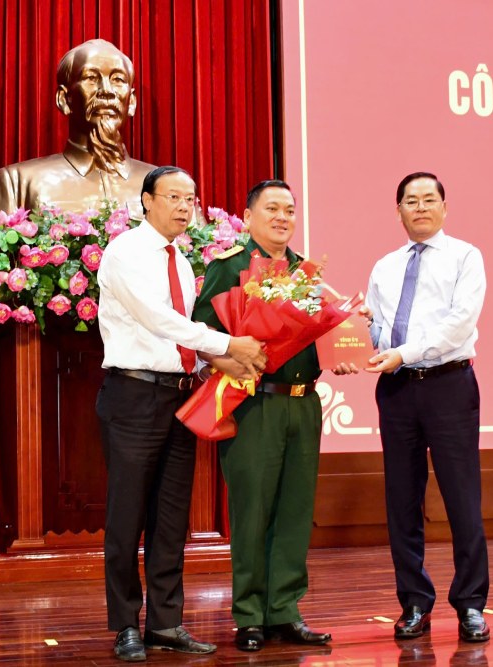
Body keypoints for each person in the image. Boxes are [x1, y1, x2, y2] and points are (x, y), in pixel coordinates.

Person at [95, 165, 266, 661]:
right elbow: (158, 318)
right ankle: (126, 623)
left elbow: (185, 333)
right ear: (146, 200)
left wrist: (224, 358)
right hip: (133, 395)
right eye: (172, 196)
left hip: (177, 396)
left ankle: (165, 624)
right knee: (128, 515)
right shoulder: (125, 251)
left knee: (171, 518)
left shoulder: (182, 259)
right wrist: (230, 342)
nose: (182, 206)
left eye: (190, 198)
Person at [193, 180, 341, 652]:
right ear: (249, 215)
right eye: (272, 208)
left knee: (296, 509)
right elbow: (201, 332)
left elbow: (329, 334)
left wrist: (349, 348)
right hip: (254, 403)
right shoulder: (230, 267)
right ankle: (249, 615)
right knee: (253, 509)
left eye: (290, 210)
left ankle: (285, 610)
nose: (282, 217)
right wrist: (230, 358)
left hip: (305, 402)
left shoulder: (308, 273)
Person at [364, 172, 491, 643]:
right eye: (410, 200)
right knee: (402, 501)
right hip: (397, 390)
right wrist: (364, 341)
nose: (420, 207)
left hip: (448, 385)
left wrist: (405, 352)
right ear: (397, 210)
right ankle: (414, 602)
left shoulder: (465, 256)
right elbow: (379, 328)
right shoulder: (384, 266)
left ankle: (471, 604)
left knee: (463, 499)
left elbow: (460, 324)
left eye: (428, 199)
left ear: (444, 207)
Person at [0, 39, 155, 217]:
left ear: (132, 101)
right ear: (64, 99)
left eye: (118, 79)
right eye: (91, 78)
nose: (107, 90)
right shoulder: (17, 184)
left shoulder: (166, 186)